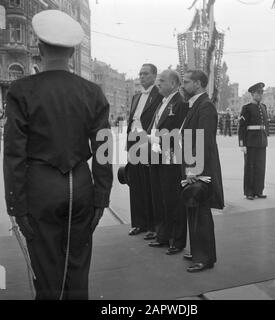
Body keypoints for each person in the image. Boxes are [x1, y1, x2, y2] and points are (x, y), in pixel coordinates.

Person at [3, 10, 113, 300]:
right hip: (80, 185)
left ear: (39, 49)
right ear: (73, 52)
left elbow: (14, 152)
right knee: (77, 266)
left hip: (40, 188)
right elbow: (103, 150)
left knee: (46, 268)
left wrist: (15, 204)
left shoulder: (21, 90)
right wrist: (102, 196)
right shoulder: (92, 92)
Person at [181, 70, 224, 273]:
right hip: (193, 166)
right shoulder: (196, 104)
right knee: (193, 209)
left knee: (201, 212)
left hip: (200, 169)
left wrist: (194, 170)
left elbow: (204, 141)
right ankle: (198, 250)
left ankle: (205, 257)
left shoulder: (205, 106)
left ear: (198, 84)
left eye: (187, 82)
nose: (183, 85)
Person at [147, 70, 188, 255]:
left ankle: (177, 240)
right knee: (158, 197)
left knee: (173, 199)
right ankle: (163, 235)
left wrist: (157, 141)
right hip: (157, 153)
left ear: (173, 83)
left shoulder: (180, 102)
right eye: (158, 81)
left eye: (162, 81)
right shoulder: (162, 102)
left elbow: (179, 133)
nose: (158, 84)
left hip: (171, 154)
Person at [126, 64, 163, 239]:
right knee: (135, 184)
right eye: (140, 74)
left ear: (154, 76)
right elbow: (132, 120)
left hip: (148, 142)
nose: (141, 77)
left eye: (146, 74)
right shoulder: (136, 96)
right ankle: (138, 223)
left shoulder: (159, 95)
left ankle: (153, 225)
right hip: (134, 141)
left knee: (149, 184)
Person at [238, 82, 268, 201]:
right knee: (250, 167)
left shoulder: (263, 107)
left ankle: (258, 190)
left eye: (261, 93)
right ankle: (249, 192)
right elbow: (242, 127)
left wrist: (266, 137)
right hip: (250, 142)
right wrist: (242, 143)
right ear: (252, 94)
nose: (260, 95)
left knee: (260, 167)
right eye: (258, 93)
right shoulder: (247, 108)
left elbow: (265, 124)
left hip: (261, 141)